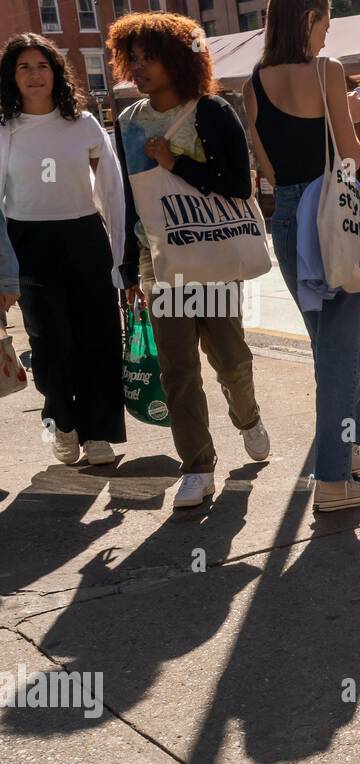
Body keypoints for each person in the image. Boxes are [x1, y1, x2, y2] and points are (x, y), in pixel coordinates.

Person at [108, 11, 271, 509]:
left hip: (212, 255)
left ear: (178, 60)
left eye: (149, 57)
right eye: (131, 58)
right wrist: (129, 266)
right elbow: (131, 202)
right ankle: (197, 467)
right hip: (160, 263)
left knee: (231, 359)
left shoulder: (213, 111)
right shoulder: (129, 124)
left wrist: (174, 162)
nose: (138, 68)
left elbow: (237, 185)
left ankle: (247, 417)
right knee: (178, 371)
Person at [244, 0, 360, 513]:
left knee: (330, 344)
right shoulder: (328, 72)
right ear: (309, 18)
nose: (328, 32)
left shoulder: (252, 84)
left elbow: (270, 170)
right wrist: (352, 114)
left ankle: (348, 450)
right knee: (342, 354)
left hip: (286, 220)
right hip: (328, 216)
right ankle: (331, 479)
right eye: (326, 20)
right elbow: (347, 160)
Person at [0, 34, 127, 466]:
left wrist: (120, 255)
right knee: (50, 344)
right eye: (24, 67)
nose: (35, 75)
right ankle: (62, 423)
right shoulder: (5, 130)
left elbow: (112, 191)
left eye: (42, 65)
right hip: (29, 243)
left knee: (99, 339)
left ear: (55, 72)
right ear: (11, 77)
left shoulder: (84, 124)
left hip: (84, 239)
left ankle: (98, 434)